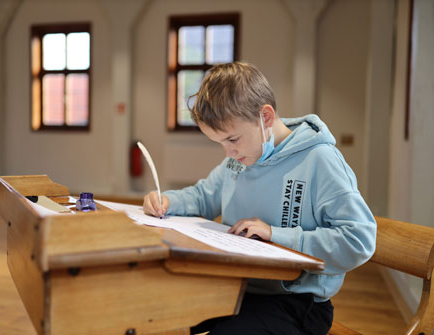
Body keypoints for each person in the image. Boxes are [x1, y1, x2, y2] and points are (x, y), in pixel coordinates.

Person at [143, 62, 376, 335]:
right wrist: (168, 201)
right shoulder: (241, 159)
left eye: (232, 139)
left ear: (265, 117)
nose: (228, 153)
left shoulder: (319, 160)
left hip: (296, 302)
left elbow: (358, 240)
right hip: (236, 287)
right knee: (151, 313)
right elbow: (204, 196)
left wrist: (275, 235)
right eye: (220, 143)